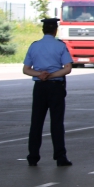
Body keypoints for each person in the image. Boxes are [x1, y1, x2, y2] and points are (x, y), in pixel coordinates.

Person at [22, 17, 73, 166]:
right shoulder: (60, 46)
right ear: (55, 30)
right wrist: (52, 74)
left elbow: (26, 69)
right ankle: (60, 157)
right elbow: (67, 68)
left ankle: (33, 156)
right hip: (56, 87)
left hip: (39, 88)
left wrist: (40, 74)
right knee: (56, 123)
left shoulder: (34, 46)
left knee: (36, 122)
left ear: (43, 30)